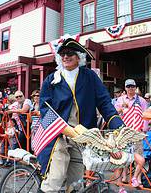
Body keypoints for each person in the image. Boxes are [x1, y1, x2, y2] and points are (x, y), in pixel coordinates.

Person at [38, 38, 124, 193]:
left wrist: (118, 125)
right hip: (58, 134)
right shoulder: (51, 79)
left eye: (70, 53)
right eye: (63, 53)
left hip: (82, 135)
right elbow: (44, 108)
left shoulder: (90, 77)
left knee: (76, 181)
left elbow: (104, 102)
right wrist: (60, 127)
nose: (65, 56)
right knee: (55, 178)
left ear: (79, 57)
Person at [114, 79, 147, 188]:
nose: (130, 88)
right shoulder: (120, 100)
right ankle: (124, 177)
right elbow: (115, 113)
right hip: (124, 131)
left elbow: (145, 116)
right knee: (124, 155)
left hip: (137, 132)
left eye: (132, 86)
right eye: (128, 86)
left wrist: (144, 129)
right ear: (125, 88)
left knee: (139, 154)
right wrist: (121, 109)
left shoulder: (141, 100)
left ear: (135, 87)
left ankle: (137, 178)